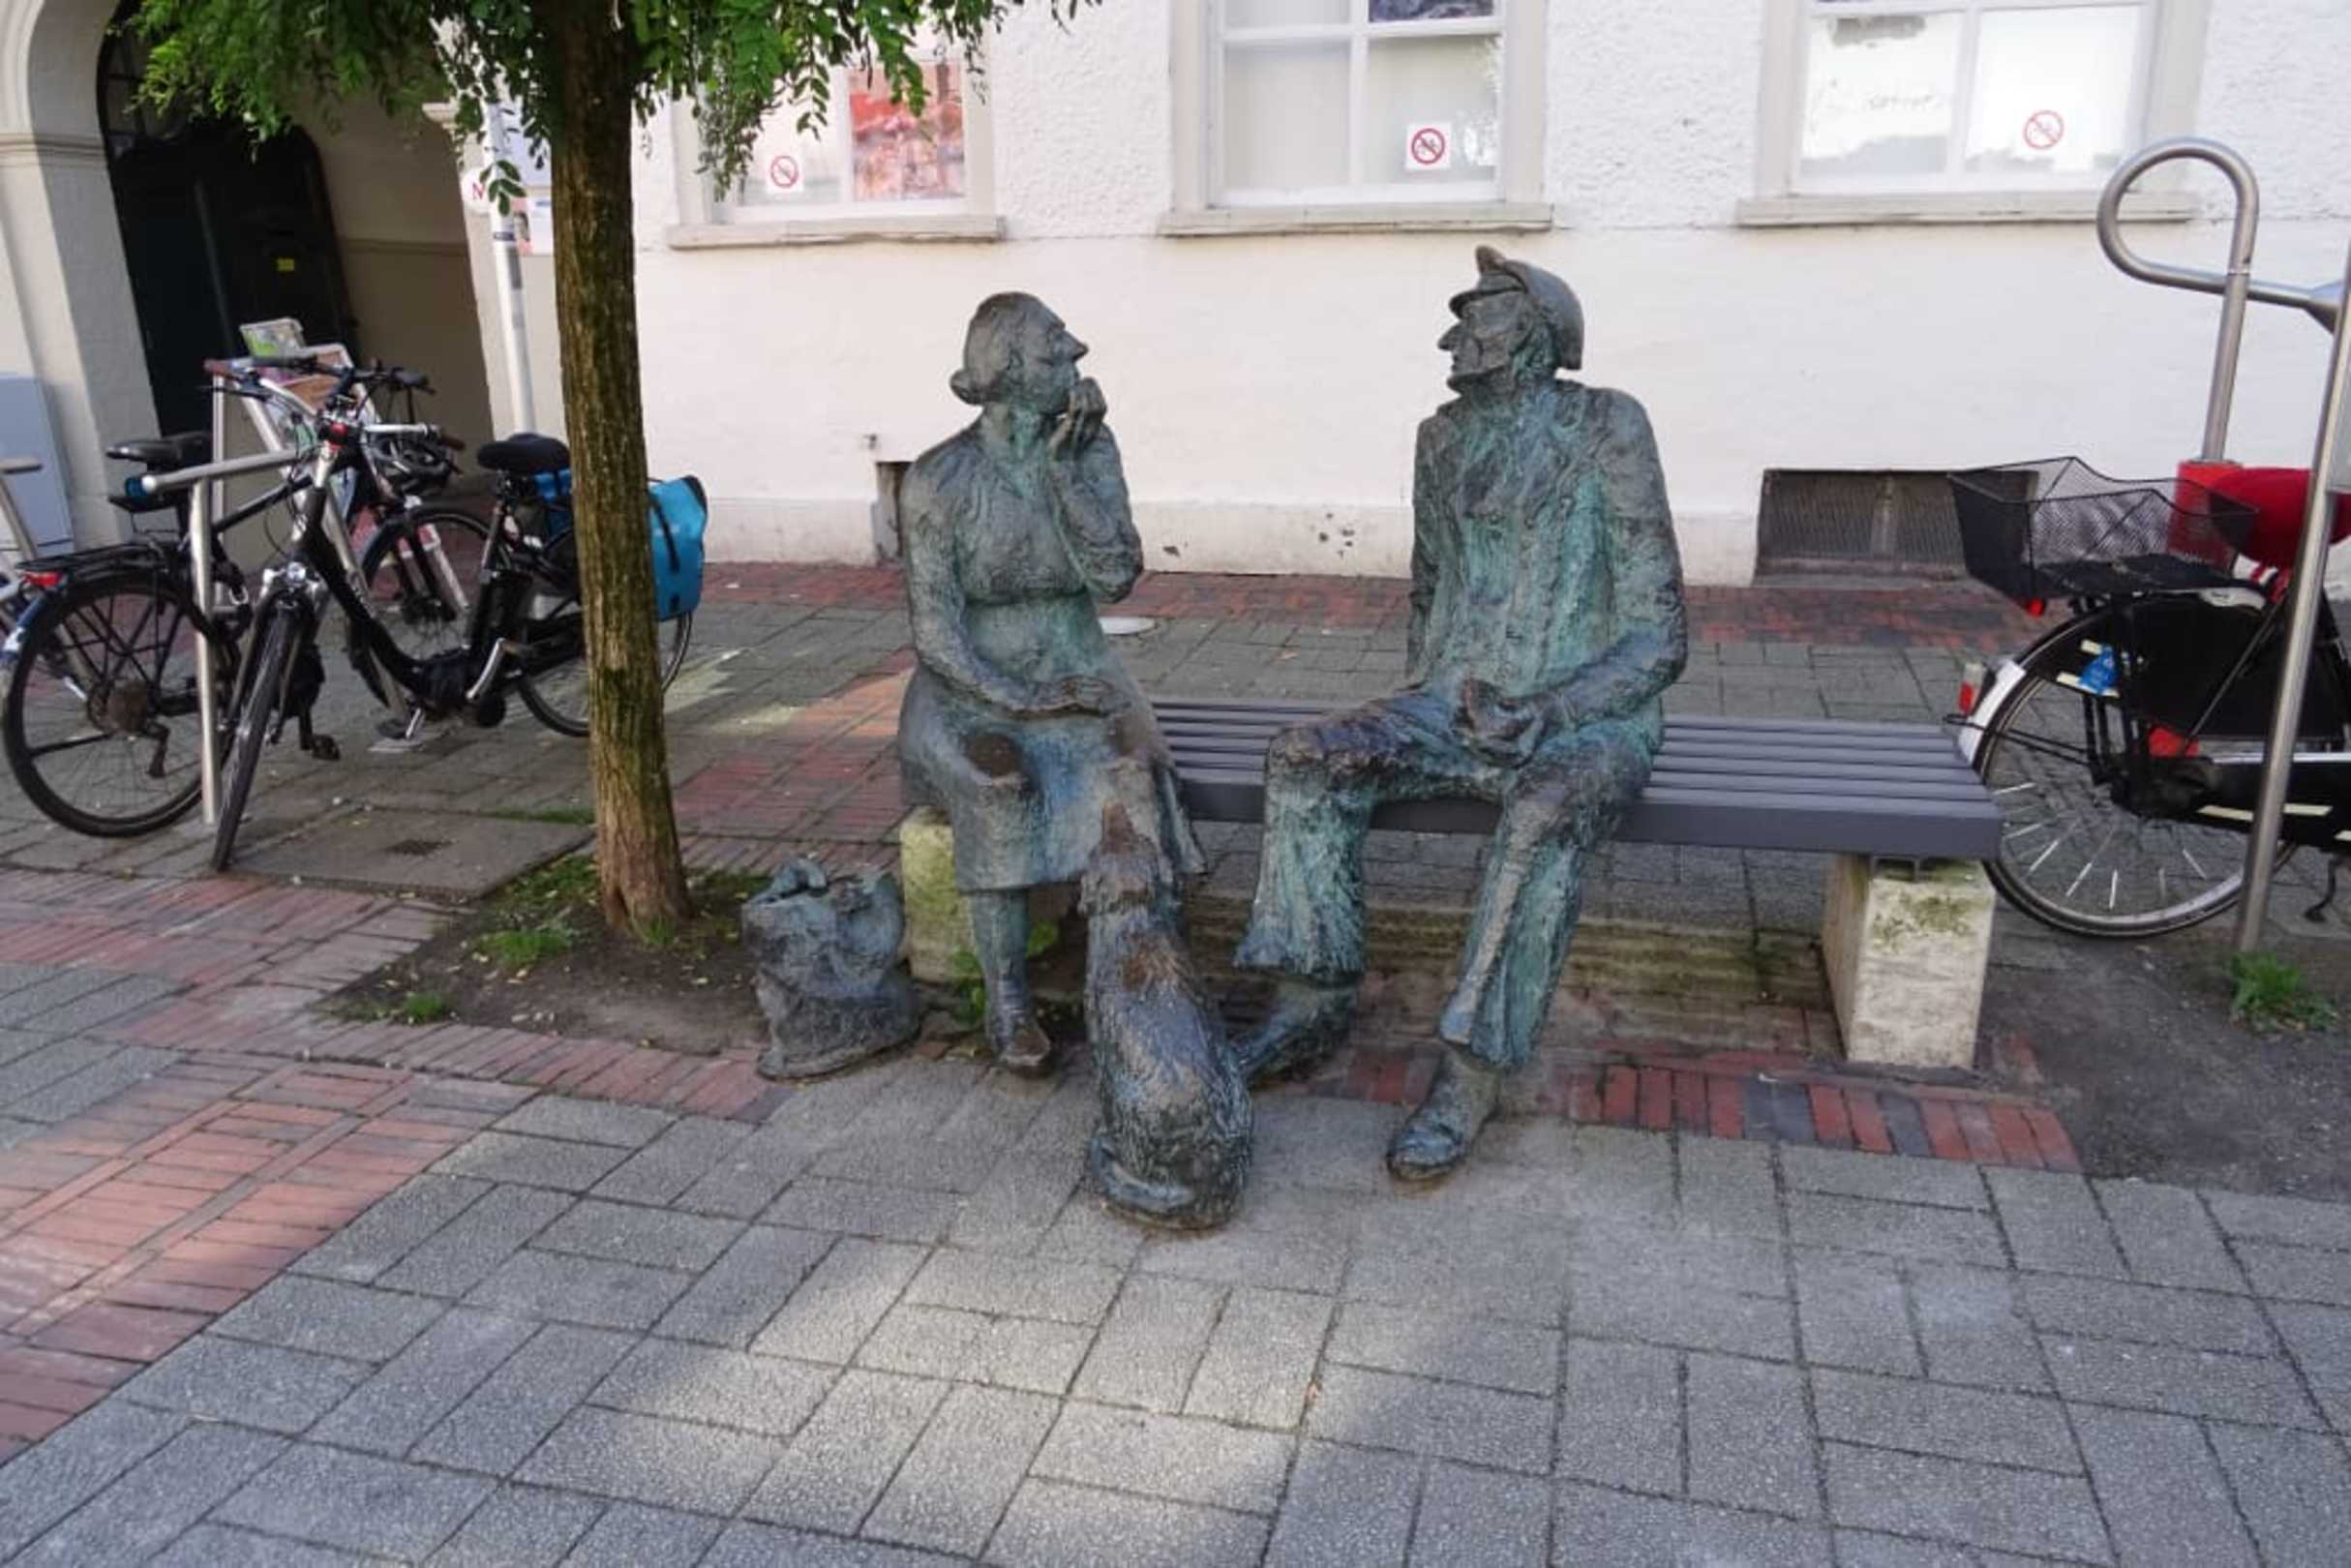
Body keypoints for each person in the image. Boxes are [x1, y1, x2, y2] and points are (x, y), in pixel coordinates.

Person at [1232, 246, 1688, 1179]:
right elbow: (1429, 582)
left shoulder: (1607, 426)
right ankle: (1310, 1001)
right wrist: (1423, 697)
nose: (1452, 338)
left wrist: (1550, 710)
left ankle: (1472, 1071)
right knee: (1305, 758)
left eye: (1474, 318)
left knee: (1541, 814)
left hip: (1588, 716)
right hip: (1450, 705)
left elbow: (1659, 636)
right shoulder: (1439, 439)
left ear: (1535, 335)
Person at [897, 293, 1203, 1074]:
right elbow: (936, 634)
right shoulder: (938, 478)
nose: (1076, 352)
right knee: (1000, 788)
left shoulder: (1090, 452)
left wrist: (1066, 475)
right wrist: (1024, 700)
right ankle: (1007, 999)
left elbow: (1115, 579)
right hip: (971, 684)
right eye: (1053, 344)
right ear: (1005, 370)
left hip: (1083, 666)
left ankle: (1138, 981)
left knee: (1133, 775)